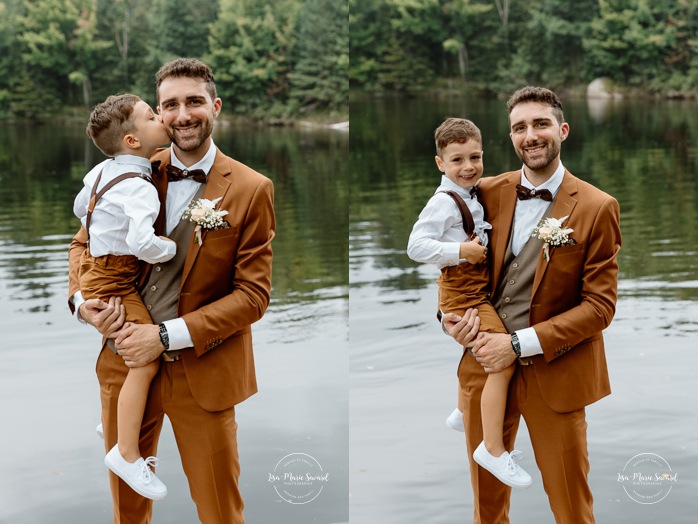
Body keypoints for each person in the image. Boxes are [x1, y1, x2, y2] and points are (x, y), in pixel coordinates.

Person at [68, 58, 276, 523]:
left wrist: (164, 337)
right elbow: (82, 245)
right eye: (170, 105)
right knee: (128, 512)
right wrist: (85, 305)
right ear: (157, 114)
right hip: (122, 357)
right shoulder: (131, 170)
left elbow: (253, 296)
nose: (182, 115)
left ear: (215, 106)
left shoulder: (251, 188)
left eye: (194, 102)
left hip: (203, 369)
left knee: (220, 510)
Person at [443, 86, 621, 523]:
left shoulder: (598, 207)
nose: (531, 135)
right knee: (486, 510)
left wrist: (519, 344)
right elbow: (452, 268)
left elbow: (600, 307)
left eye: (540, 124)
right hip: (482, 369)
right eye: (519, 128)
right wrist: (449, 320)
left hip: (557, 377)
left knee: (571, 509)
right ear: (511, 137)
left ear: (562, 130)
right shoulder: (481, 191)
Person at [407, 117, 531, 489]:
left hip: (472, 291)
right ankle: (491, 449)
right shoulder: (443, 202)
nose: (469, 167)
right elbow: (415, 247)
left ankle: (463, 411)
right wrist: (459, 249)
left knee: (480, 347)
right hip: (464, 293)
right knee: (500, 363)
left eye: (475, 157)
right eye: (457, 160)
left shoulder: (473, 193)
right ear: (440, 163)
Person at [74, 93, 175, 500]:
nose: (160, 118)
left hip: (98, 271)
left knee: (131, 348)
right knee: (145, 358)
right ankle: (126, 452)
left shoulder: (103, 170)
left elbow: (83, 206)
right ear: (133, 140)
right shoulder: (140, 188)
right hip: (114, 280)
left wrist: (104, 229)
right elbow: (140, 241)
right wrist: (169, 249)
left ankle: (113, 420)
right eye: (152, 115)